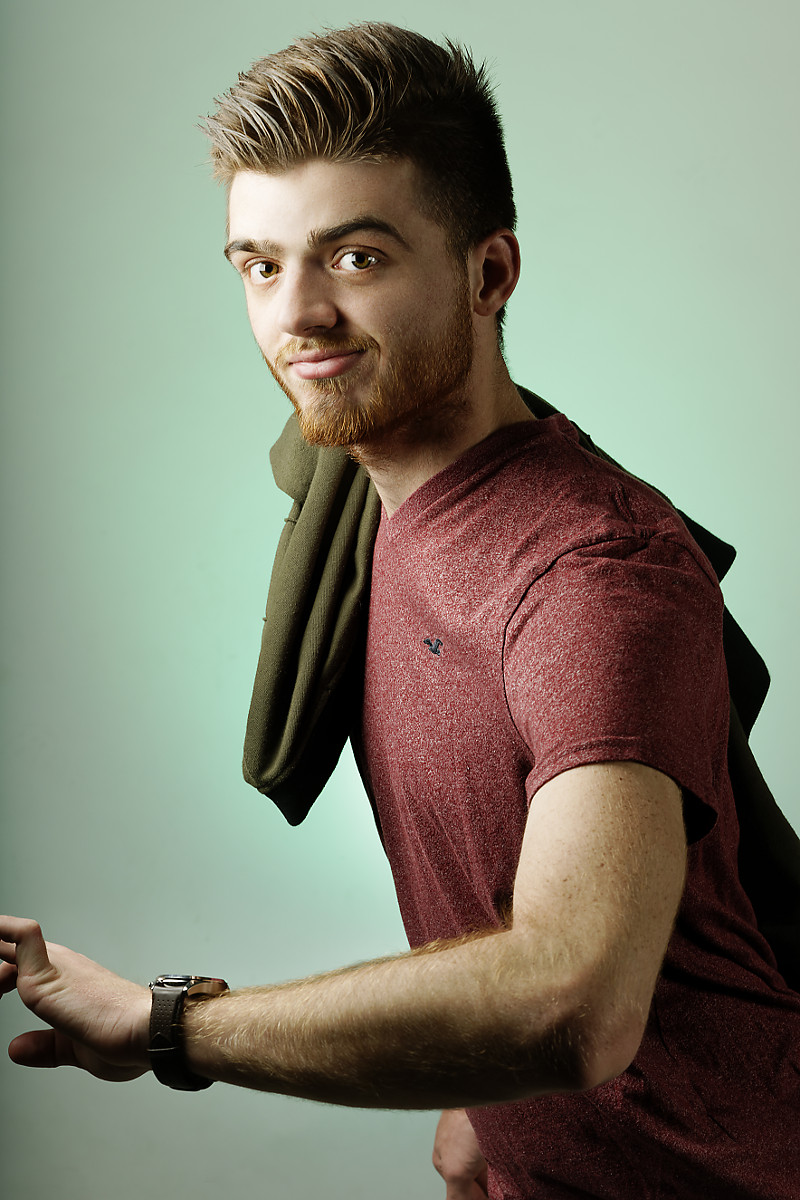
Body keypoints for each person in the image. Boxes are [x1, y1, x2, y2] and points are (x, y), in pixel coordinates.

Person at [2, 22, 799, 1199]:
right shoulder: (369, 505)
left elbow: (570, 1001)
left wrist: (167, 1025)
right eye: (259, 265)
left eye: (356, 257)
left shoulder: (593, 575)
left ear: (488, 274)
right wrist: (477, 1095)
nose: (297, 315)